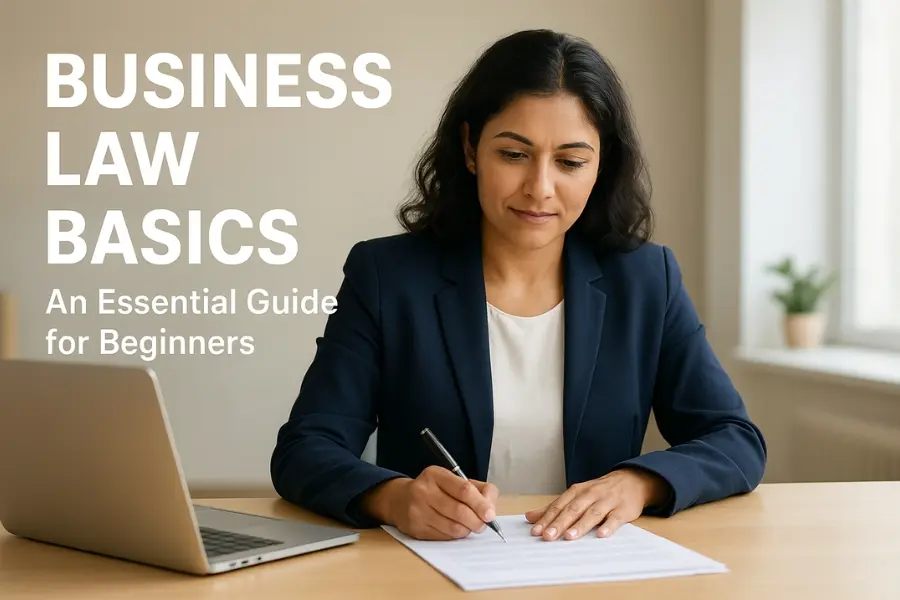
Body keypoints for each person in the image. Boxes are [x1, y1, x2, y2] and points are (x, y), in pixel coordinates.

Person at [270, 29, 766, 543]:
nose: (540, 188)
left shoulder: (646, 279)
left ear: (601, 166)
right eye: (513, 154)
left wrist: (639, 483)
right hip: (430, 572)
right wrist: (392, 496)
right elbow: (305, 448)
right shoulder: (387, 275)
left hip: (595, 568)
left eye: (571, 162)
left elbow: (735, 440)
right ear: (470, 148)